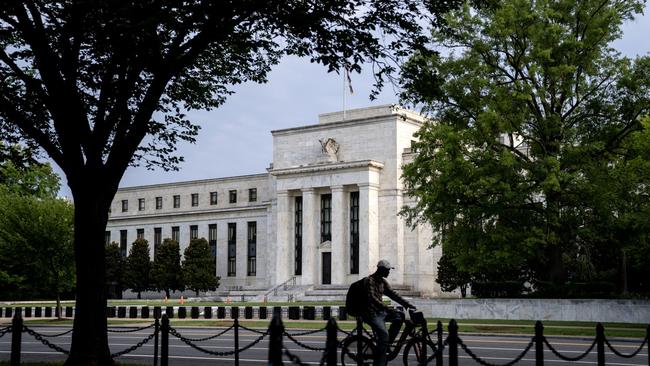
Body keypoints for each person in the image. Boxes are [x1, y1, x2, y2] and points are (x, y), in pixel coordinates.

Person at [362, 259, 416, 366]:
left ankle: (386, 345)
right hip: (371, 313)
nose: (389, 272)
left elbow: (393, 294)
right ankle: (380, 362)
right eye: (387, 270)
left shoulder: (383, 282)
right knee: (384, 334)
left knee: (399, 316)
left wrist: (407, 304)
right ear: (381, 270)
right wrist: (387, 308)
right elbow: (373, 299)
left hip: (380, 312)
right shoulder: (370, 281)